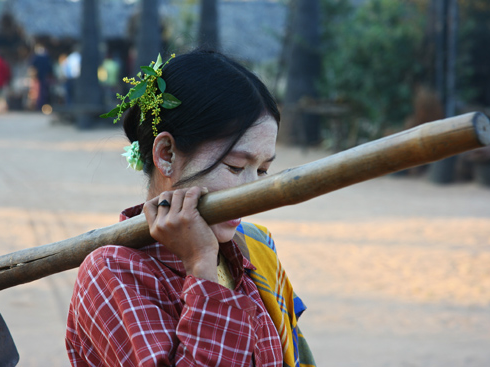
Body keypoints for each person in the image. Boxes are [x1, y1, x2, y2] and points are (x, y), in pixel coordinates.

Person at [65, 50, 315, 367]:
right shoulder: (111, 272)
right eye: (236, 167)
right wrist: (201, 267)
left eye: (262, 171)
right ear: (166, 154)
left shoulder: (253, 247)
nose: (255, 190)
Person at [29, 44, 53, 110]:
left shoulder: (36, 57)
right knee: (43, 92)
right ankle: (42, 105)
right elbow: (50, 68)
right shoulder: (46, 57)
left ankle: (39, 105)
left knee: (38, 92)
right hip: (44, 77)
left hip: (38, 77)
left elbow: (32, 66)